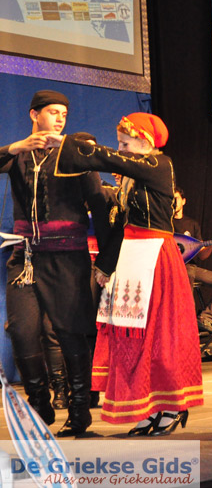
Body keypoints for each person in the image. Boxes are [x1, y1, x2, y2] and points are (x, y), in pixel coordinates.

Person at [47, 112, 204, 435]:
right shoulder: (133, 177)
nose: (121, 149)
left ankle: (172, 405)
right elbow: (122, 225)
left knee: (158, 336)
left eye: (125, 142)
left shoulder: (160, 165)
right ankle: (149, 407)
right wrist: (106, 265)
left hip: (155, 257)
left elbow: (113, 161)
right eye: (119, 143)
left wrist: (68, 144)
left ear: (144, 141)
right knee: (131, 336)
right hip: (133, 257)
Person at [0, 90, 109, 436]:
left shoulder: (74, 155)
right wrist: (14, 148)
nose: (60, 118)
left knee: (71, 334)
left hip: (66, 258)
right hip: (27, 256)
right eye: (53, 112)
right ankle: (39, 403)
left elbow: (101, 208)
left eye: (64, 113)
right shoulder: (18, 156)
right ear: (34, 115)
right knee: (21, 330)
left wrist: (106, 260)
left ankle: (79, 411)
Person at [172, 186, 212, 335]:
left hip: (192, 267)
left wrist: (211, 247)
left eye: (176, 199)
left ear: (183, 201)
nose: (173, 202)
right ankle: (187, 323)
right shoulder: (164, 223)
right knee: (187, 274)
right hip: (174, 268)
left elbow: (201, 255)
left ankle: (204, 319)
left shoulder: (192, 224)